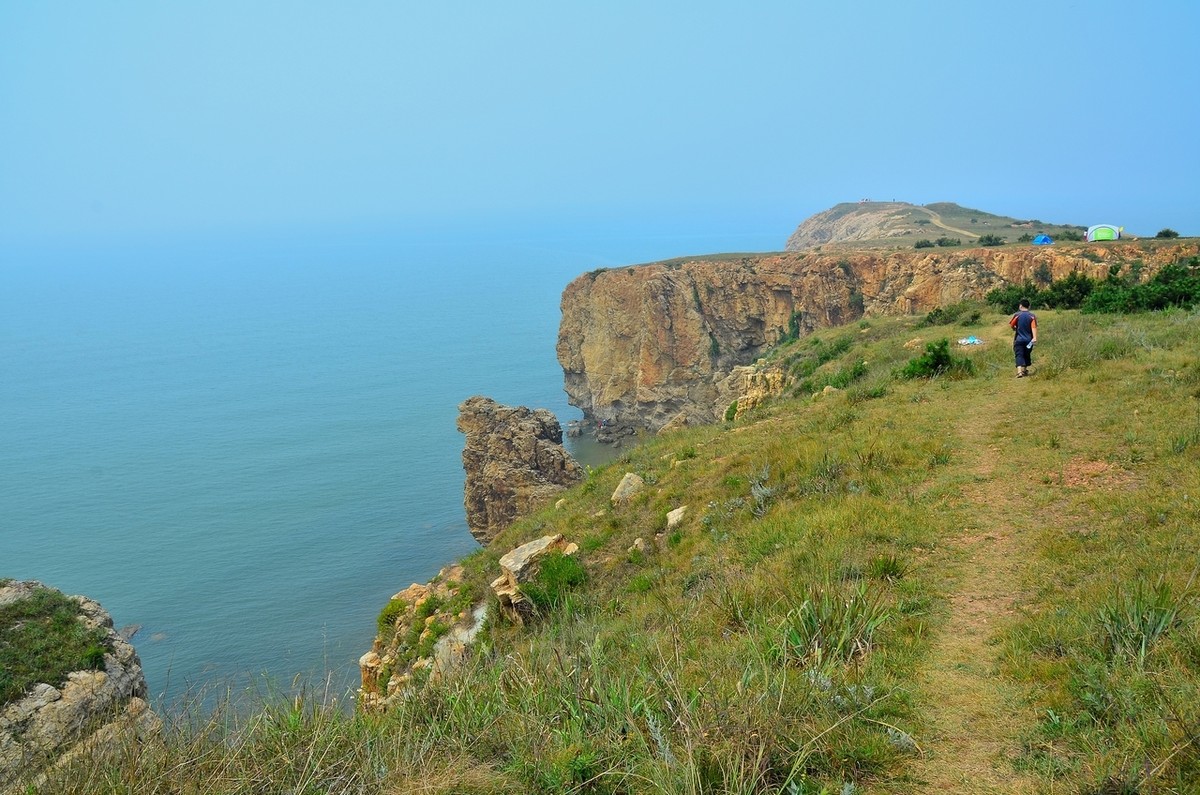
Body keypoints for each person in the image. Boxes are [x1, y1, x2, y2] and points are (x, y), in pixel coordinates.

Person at [1009, 299, 1038, 377]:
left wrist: (1015, 328)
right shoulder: (1032, 316)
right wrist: (1034, 337)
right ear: (1029, 306)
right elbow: (1033, 327)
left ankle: (1019, 372)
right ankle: (1024, 370)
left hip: (1019, 339)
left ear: (1020, 306)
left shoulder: (1017, 315)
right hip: (1029, 340)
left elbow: (1012, 325)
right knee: (1026, 354)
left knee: (1019, 354)